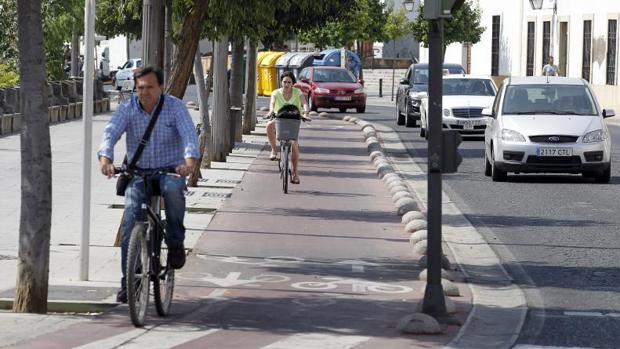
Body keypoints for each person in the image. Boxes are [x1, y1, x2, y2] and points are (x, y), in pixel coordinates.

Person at [97, 66, 199, 303]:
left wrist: (189, 163)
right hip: (138, 173)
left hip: (169, 170)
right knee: (131, 219)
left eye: (150, 87)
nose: (145, 92)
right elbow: (110, 134)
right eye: (140, 87)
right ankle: (128, 282)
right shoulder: (127, 108)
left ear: (161, 87)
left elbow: (189, 137)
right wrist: (106, 160)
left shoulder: (174, 107)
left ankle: (175, 241)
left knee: (174, 190)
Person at [266, 71, 310, 184]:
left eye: (289, 82)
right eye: (284, 82)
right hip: (280, 119)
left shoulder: (297, 92)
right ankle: (274, 150)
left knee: (294, 145)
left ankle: (295, 174)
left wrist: (305, 112)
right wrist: (270, 111)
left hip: (293, 120)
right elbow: (272, 104)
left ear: (293, 83)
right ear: (281, 82)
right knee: (269, 125)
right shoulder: (276, 93)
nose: (286, 84)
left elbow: (304, 103)